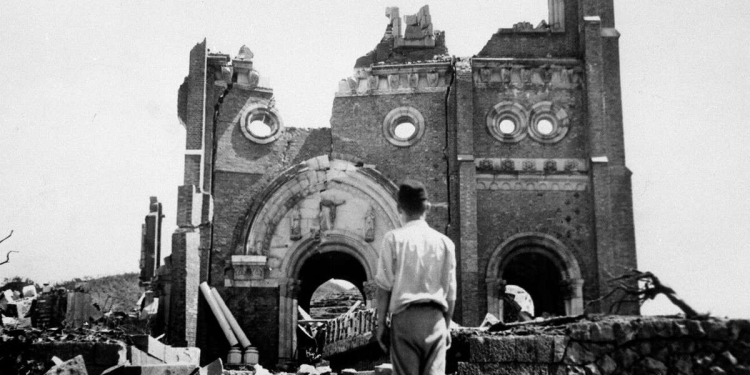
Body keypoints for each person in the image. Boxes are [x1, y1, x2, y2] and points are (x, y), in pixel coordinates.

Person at [374, 180, 457, 375]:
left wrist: (381, 325)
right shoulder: (445, 242)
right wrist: (445, 326)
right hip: (435, 319)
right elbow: (451, 293)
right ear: (427, 207)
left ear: (399, 208)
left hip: (404, 321)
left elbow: (384, 287)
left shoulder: (393, 239)